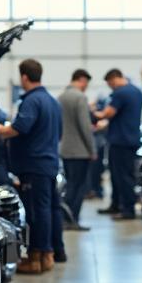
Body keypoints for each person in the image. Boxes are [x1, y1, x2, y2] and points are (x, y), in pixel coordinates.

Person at [0, 59, 63, 272]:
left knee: (36, 212)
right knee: (49, 210)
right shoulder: (51, 101)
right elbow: (59, 132)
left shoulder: (31, 101)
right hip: (49, 164)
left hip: (34, 166)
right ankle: (49, 254)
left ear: (24, 77)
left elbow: (20, 127)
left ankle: (36, 258)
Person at [94, 69, 142, 220]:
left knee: (122, 177)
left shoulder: (121, 93)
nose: (111, 87)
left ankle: (128, 210)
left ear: (114, 79)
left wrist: (91, 112)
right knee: (119, 176)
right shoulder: (136, 91)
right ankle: (116, 205)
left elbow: (107, 113)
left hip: (121, 141)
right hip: (130, 139)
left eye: (110, 84)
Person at [58, 68, 95, 229]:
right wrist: (92, 150)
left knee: (70, 185)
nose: (86, 86)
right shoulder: (80, 97)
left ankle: (65, 218)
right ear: (81, 80)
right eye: (86, 83)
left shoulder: (61, 97)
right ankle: (72, 220)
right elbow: (85, 126)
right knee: (78, 187)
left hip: (65, 149)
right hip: (80, 151)